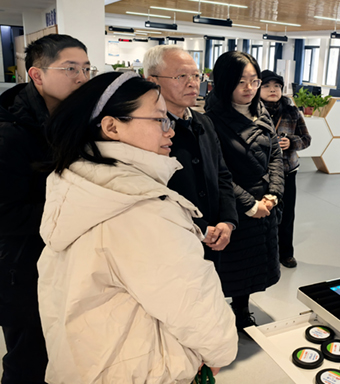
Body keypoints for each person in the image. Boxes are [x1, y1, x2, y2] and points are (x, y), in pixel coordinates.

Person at [37, 72, 238, 382]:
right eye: (160, 120)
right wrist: (220, 351)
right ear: (112, 127)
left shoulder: (78, 182)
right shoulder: (141, 207)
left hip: (89, 360)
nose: (170, 130)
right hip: (140, 370)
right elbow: (190, 301)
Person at [0, 33, 93, 384]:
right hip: (22, 268)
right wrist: (76, 211)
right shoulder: (10, 132)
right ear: (37, 75)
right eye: (70, 69)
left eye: (86, 68)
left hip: (67, 261)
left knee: (64, 356)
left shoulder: (77, 122)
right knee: (28, 360)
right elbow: (5, 214)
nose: (82, 78)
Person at [204, 52, 284, 330]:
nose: (249, 88)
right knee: (230, 264)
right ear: (225, 82)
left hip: (265, 201)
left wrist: (274, 194)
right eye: (241, 82)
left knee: (253, 264)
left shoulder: (261, 111)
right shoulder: (211, 121)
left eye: (254, 81)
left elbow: (275, 155)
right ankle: (216, 313)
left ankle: (241, 308)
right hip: (234, 205)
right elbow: (218, 172)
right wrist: (250, 205)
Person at [144, 45, 237, 265]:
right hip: (168, 241)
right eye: (181, 76)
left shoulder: (204, 122)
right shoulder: (144, 129)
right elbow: (150, 191)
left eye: (196, 76)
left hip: (213, 237)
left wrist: (227, 221)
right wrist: (200, 227)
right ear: (152, 82)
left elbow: (221, 175)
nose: (192, 83)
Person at [260, 70, 311, 269]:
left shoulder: (292, 112)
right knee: (262, 213)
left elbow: (306, 139)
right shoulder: (252, 112)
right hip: (261, 173)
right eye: (267, 86)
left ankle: (286, 253)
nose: (272, 90)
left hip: (287, 171)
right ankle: (264, 254)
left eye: (277, 86)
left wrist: (291, 142)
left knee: (287, 214)